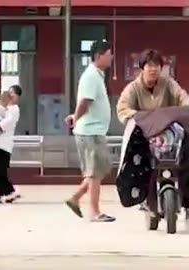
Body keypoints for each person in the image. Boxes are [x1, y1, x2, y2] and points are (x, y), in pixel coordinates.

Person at [116, 49, 189, 230]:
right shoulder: (133, 89)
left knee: (187, 163)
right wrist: (141, 118)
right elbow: (123, 109)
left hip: (170, 136)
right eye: (149, 65)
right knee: (141, 167)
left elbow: (183, 97)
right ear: (142, 68)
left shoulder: (168, 84)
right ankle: (146, 202)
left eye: (157, 66)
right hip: (145, 137)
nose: (153, 69)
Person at [64, 40, 116, 222]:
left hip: (95, 130)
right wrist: (76, 118)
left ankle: (75, 198)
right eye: (109, 54)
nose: (111, 57)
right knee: (94, 173)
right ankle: (94, 211)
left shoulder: (96, 75)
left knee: (97, 171)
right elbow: (85, 102)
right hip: (90, 132)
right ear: (99, 55)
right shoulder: (91, 76)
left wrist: (74, 116)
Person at [0, 85, 22, 203]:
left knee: (0, 171)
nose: (10, 95)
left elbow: (4, 124)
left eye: (13, 94)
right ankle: (0, 193)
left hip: (3, 145)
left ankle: (10, 192)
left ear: (17, 97)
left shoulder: (14, 109)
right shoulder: (4, 107)